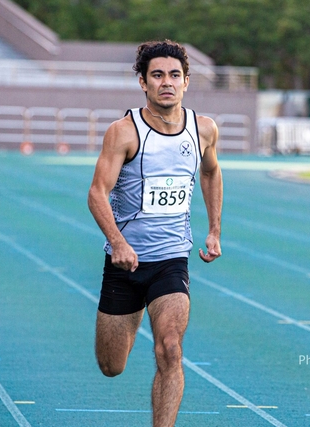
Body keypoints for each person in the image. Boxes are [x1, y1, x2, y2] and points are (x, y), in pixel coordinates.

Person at [87, 39, 223, 426]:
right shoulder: (124, 132)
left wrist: (214, 230)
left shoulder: (203, 129)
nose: (167, 82)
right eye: (158, 75)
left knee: (171, 348)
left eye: (174, 75)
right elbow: (97, 193)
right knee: (111, 365)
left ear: (186, 82)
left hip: (171, 260)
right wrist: (118, 243)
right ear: (143, 83)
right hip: (125, 264)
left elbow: (211, 172)